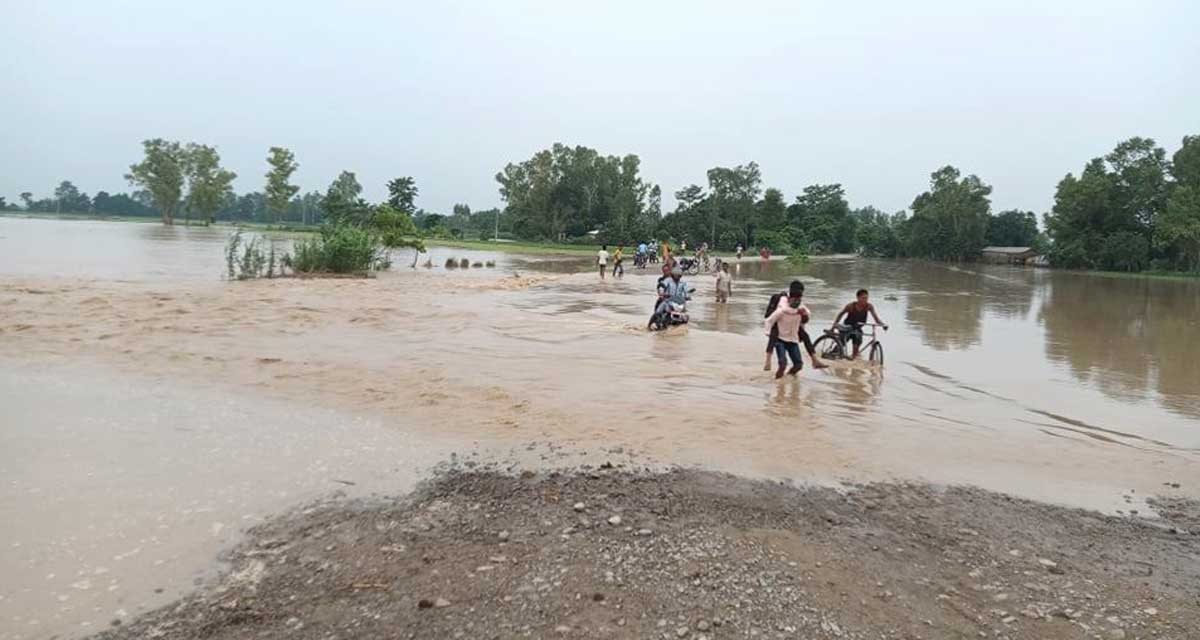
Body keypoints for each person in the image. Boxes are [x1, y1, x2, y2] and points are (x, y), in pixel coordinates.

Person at [763, 282, 828, 371]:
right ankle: (768, 361)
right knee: (774, 334)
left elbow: (805, 317)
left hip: (791, 325)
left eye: (800, 295)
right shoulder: (780, 299)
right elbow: (770, 316)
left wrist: (802, 316)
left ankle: (814, 360)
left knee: (805, 335)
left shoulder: (798, 300)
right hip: (778, 322)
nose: (799, 298)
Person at [763, 280, 810, 379]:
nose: (797, 301)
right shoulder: (781, 308)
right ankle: (778, 382)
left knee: (798, 365)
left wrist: (804, 315)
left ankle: (788, 378)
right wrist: (768, 333)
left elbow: (804, 321)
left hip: (792, 339)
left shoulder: (800, 308)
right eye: (795, 298)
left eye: (799, 298)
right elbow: (768, 320)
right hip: (780, 339)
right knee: (782, 364)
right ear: (789, 298)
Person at [831, 288, 889, 359]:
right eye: (863, 298)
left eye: (866, 298)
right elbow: (840, 314)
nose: (865, 300)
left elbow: (876, 319)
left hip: (857, 328)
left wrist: (883, 325)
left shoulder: (869, 306)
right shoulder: (851, 306)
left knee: (857, 343)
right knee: (842, 343)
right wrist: (833, 326)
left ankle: (852, 358)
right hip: (847, 327)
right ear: (858, 298)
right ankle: (832, 353)